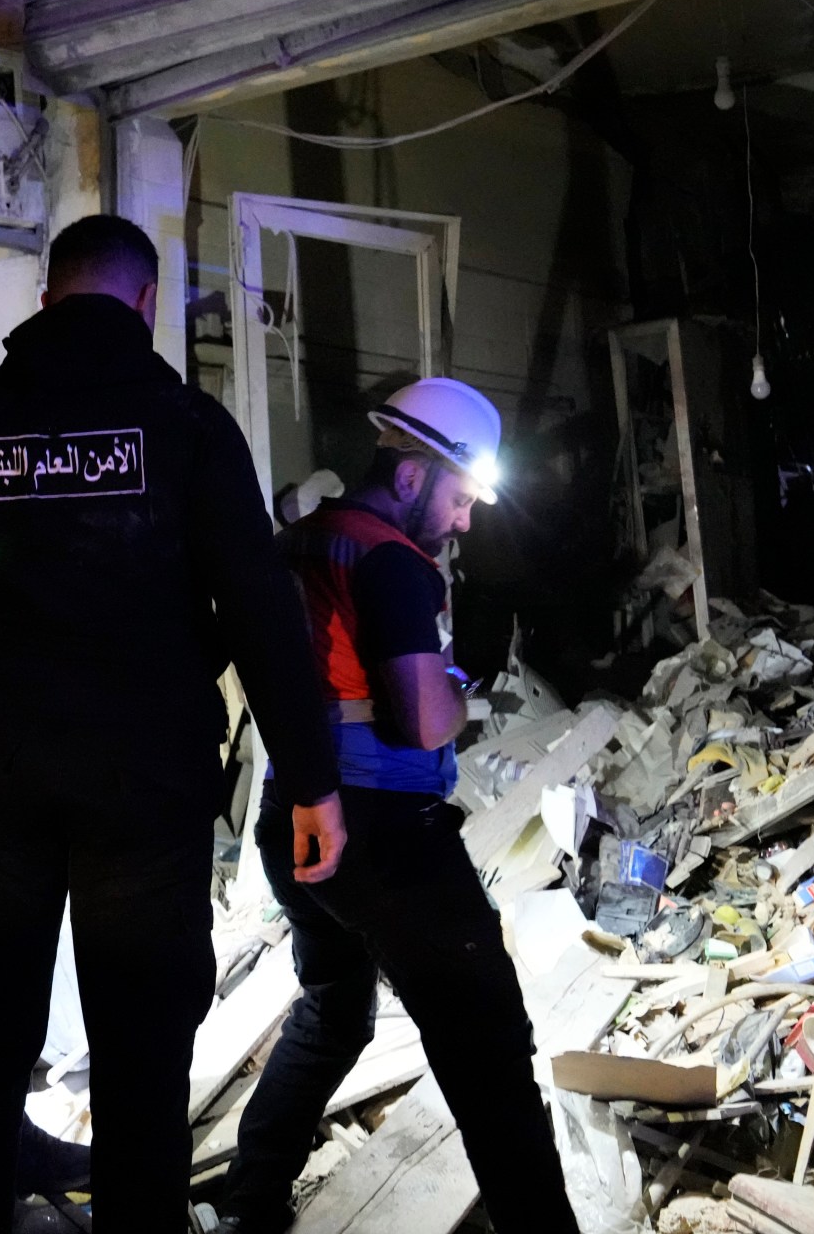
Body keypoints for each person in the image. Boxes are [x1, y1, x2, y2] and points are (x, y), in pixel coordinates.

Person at [0, 214, 345, 1231]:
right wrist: (314, 781)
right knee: (144, 1056)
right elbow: (263, 613)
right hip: (144, 787)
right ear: (146, 304)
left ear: (47, 297)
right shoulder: (186, 428)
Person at [215, 379, 578, 1234]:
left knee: (335, 1007)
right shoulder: (388, 561)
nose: (462, 522)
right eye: (457, 499)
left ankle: (249, 1202)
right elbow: (420, 720)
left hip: (296, 817)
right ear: (411, 476)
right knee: (487, 1042)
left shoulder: (306, 542)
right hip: (386, 838)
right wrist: (460, 690)